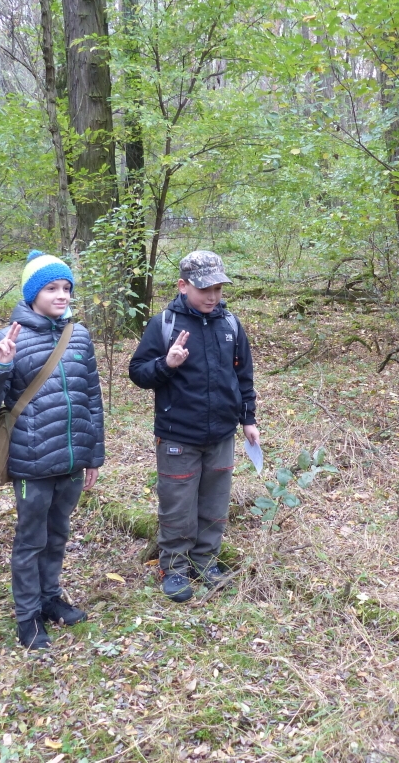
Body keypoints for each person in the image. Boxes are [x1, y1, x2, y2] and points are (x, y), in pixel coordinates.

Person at [0, 251, 104, 650]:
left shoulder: (79, 336)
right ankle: (27, 616)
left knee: (58, 533)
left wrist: (94, 455)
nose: (61, 295)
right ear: (32, 294)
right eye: (51, 288)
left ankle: (50, 598)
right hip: (31, 461)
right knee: (31, 540)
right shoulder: (9, 337)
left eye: (66, 288)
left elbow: (92, 398)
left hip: (73, 457)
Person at [129, 251, 258, 602]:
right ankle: (173, 567)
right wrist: (166, 364)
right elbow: (138, 372)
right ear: (183, 286)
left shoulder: (230, 325)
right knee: (177, 506)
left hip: (221, 435)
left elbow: (243, 376)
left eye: (217, 288)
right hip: (178, 436)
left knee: (215, 505)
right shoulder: (164, 324)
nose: (212, 296)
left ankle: (205, 561)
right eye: (204, 289)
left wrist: (248, 419)